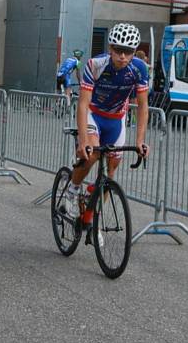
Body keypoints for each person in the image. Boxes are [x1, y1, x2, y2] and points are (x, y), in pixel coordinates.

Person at [63, 23, 150, 226]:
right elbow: (83, 104)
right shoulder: (95, 64)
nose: (123, 57)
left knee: (110, 174)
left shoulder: (139, 68)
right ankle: (73, 189)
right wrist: (83, 140)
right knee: (92, 153)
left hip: (117, 118)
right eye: (118, 51)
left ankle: (89, 218)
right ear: (110, 48)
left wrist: (140, 141)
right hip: (94, 113)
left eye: (128, 52)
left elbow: (143, 106)